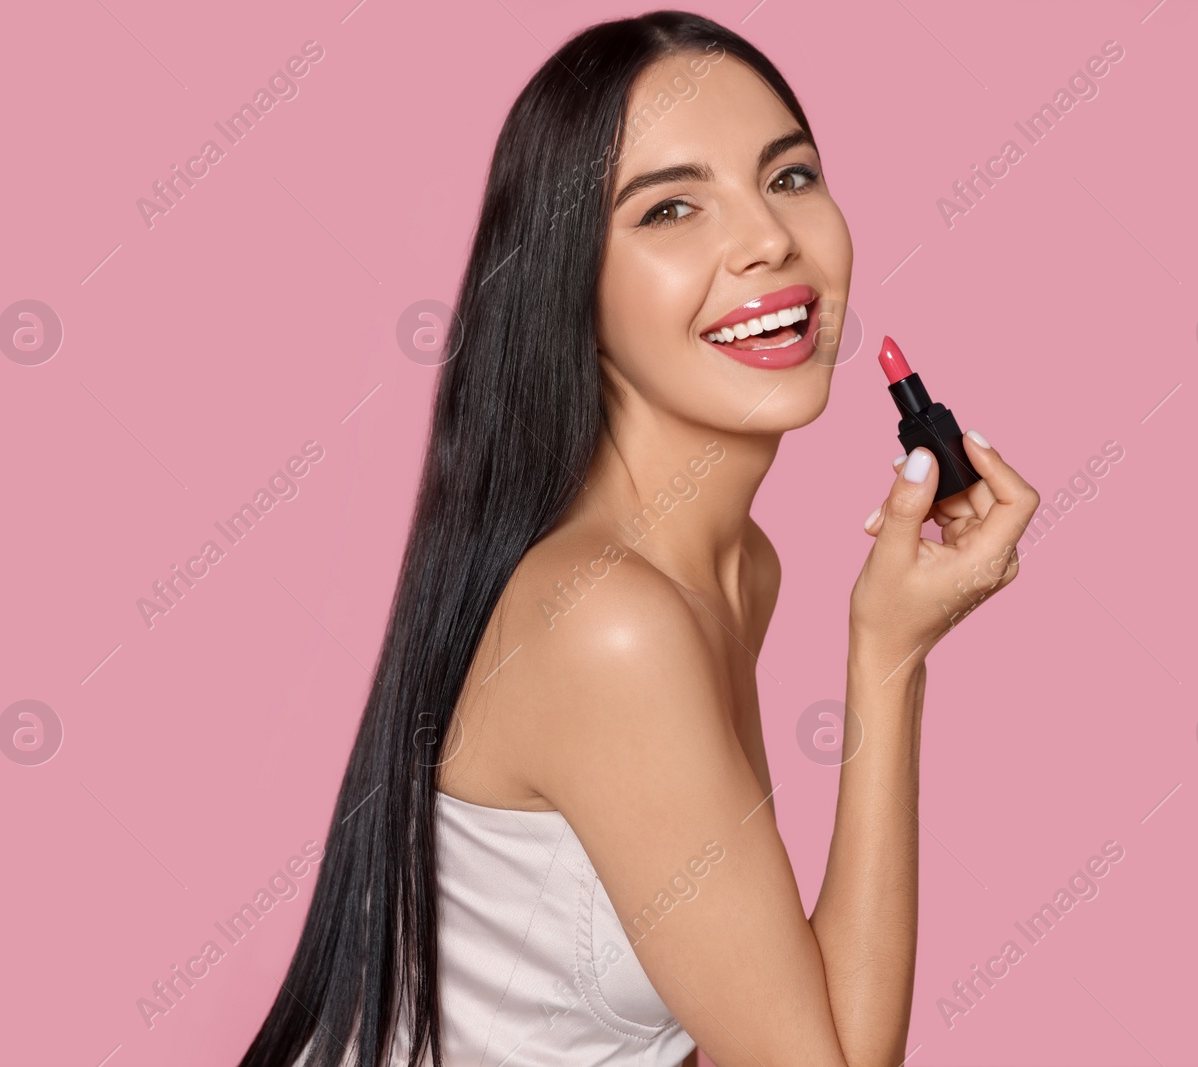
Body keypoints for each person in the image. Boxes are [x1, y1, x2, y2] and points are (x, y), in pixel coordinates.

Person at [239, 10, 1040, 1066]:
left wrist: (892, 645)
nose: (766, 239)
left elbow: (777, 1016)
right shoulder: (608, 622)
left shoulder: (734, 566)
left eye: (790, 177)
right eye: (670, 209)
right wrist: (886, 657)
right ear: (569, 287)